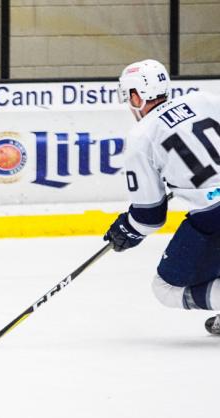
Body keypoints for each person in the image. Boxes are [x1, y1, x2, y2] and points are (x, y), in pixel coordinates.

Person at [104, 59, 220, 334]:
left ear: (136, 95)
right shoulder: (204, 100)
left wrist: (125, 230)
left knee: (166, 288)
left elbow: (149, 217)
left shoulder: (141, 135)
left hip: (214, 216)